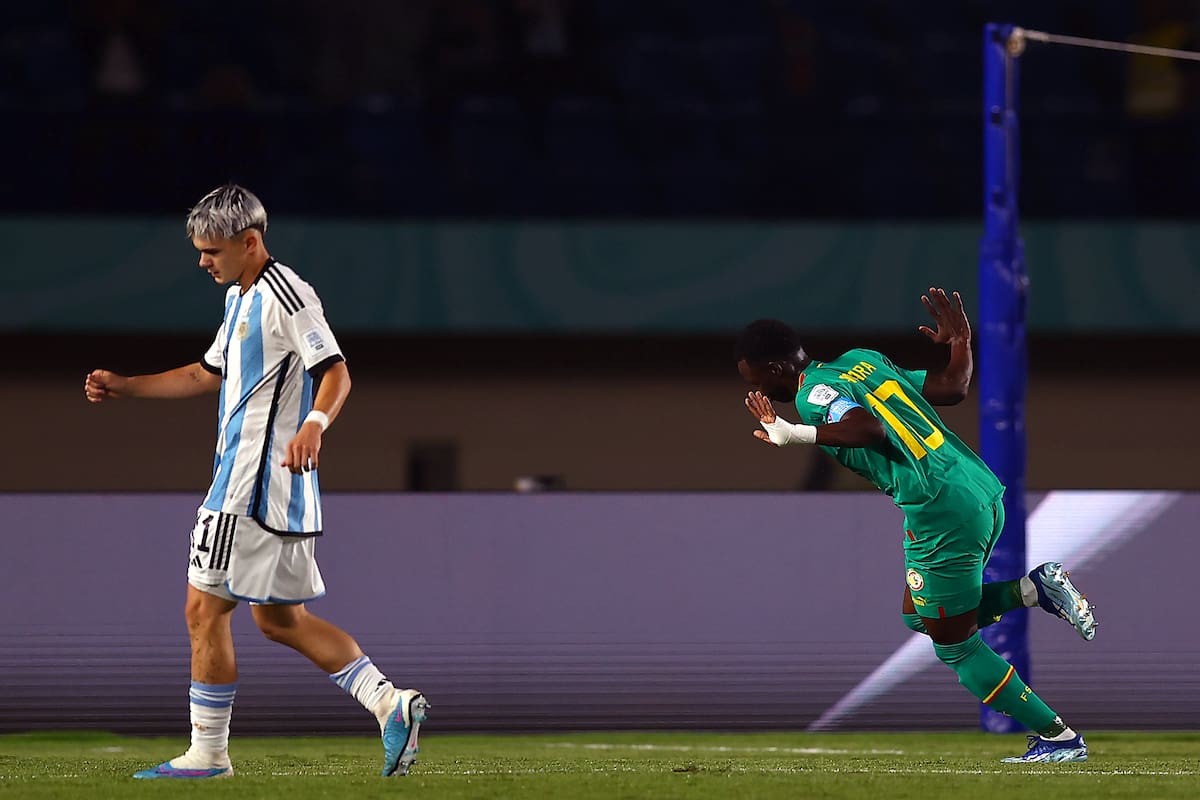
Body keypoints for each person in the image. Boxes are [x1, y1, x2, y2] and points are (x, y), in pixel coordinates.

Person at [84, 184, 428, 779]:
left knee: (203, 610)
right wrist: (125, 384)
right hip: (277, 492)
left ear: (250, 242)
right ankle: (387, 702)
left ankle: (208, 755)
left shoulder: (286, 294)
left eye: (212, 251)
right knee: (279, 619)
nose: (202, 261)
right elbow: (204, 372)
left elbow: (337, 372)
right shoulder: (240, 297)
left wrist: (315, 424)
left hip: (249, 487)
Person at [736, 287, 1096, 764]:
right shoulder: (862, 361)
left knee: (956, 648)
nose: (758, 391)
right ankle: (1033, 591)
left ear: (777, 370)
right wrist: (961, 342)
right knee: (918, 614)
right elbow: (952, 388)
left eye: (755, 380)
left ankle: (1058, 738)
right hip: (975, 486)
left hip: (939, 507)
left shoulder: (811, 395)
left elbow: (869, 429)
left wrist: (794, 433)